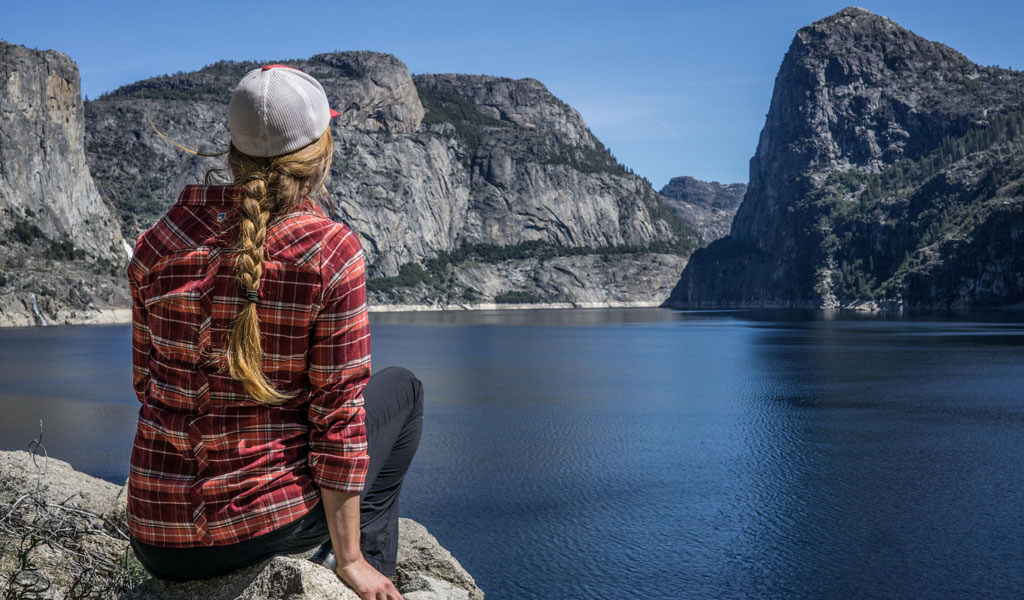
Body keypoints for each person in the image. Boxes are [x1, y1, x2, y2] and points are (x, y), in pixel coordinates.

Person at [125, 64, 421, 600]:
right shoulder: (331, 253)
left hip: (156, 537)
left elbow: (147, 387)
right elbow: (338, 421)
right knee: (404, 390)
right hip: (266, 529)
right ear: (320, 153)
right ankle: (357, 559)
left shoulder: (156, 243)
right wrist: (350, 558)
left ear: (233, 150)